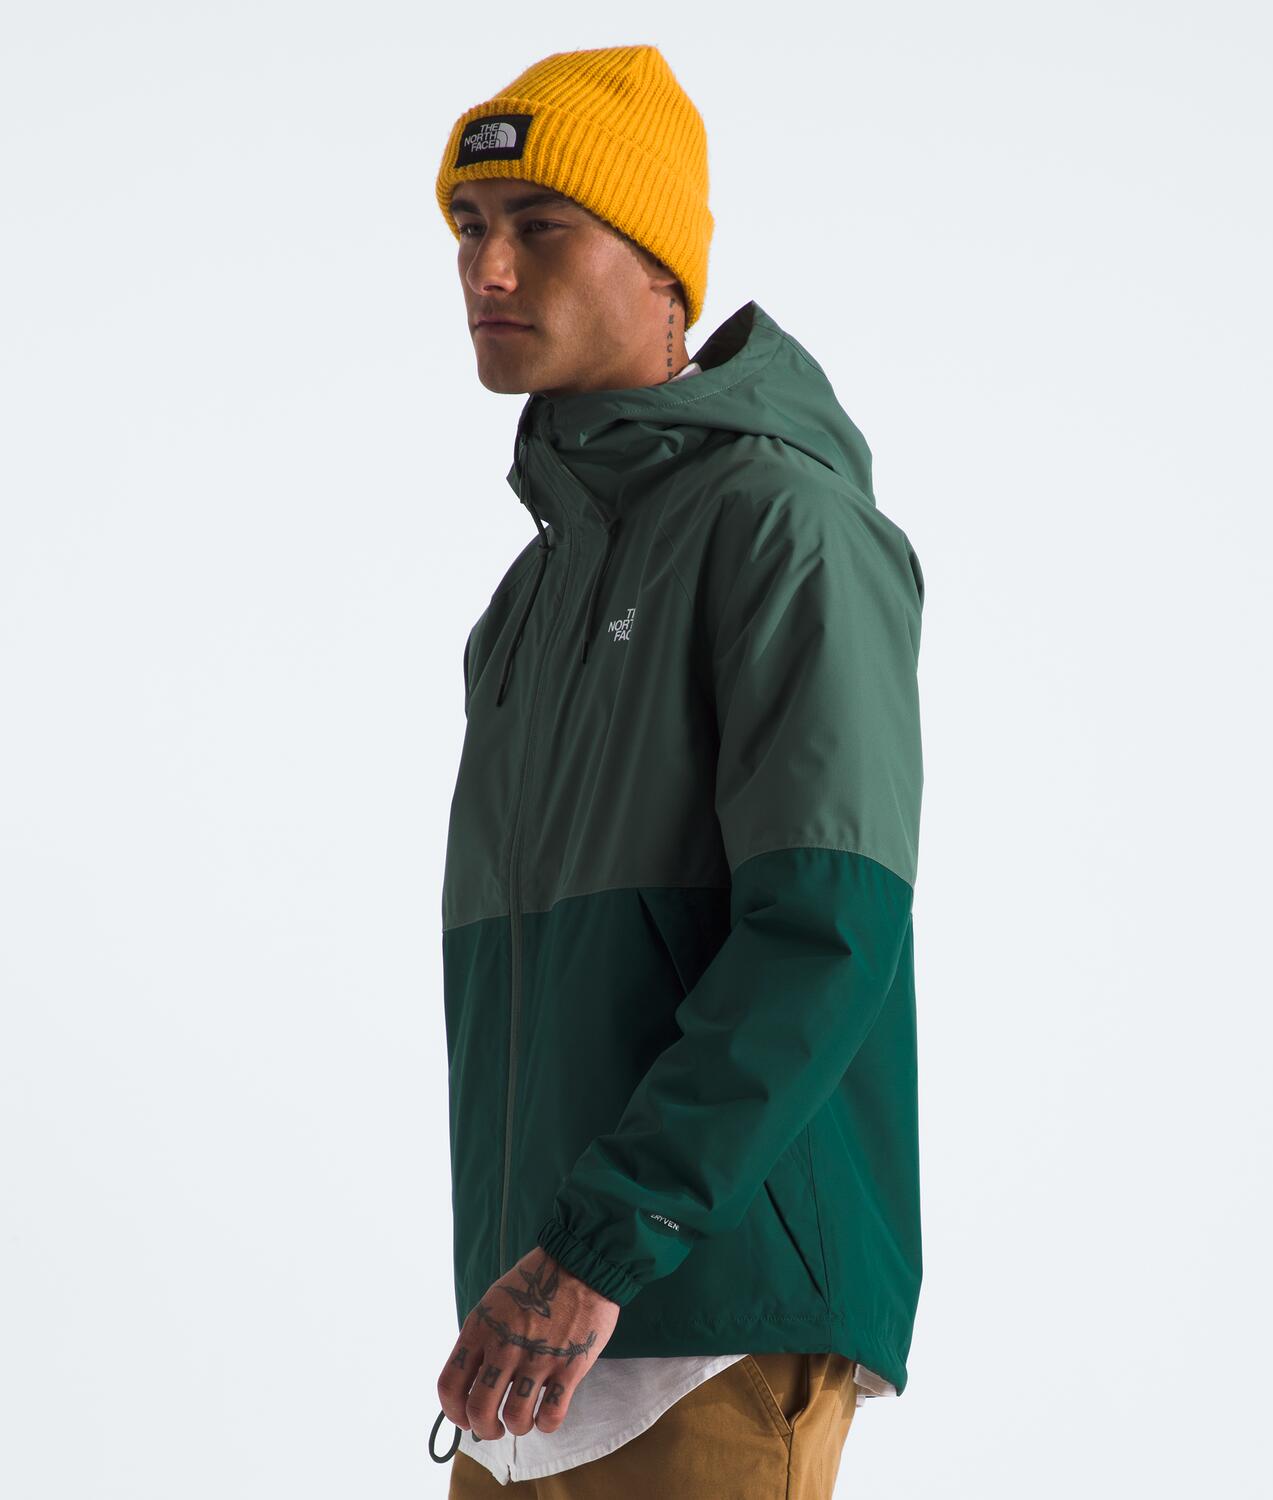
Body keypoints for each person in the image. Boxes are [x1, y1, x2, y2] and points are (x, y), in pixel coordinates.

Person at [428, 43, 926, 1499]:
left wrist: (605, 1241)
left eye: (540, 226)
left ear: (661, 268)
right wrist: (547, 1262)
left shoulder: (783, 526)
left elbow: (826, 929)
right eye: (469, 226)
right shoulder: (527, 604)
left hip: (706, 1326)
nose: (488, 268)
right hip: (531, 1340)